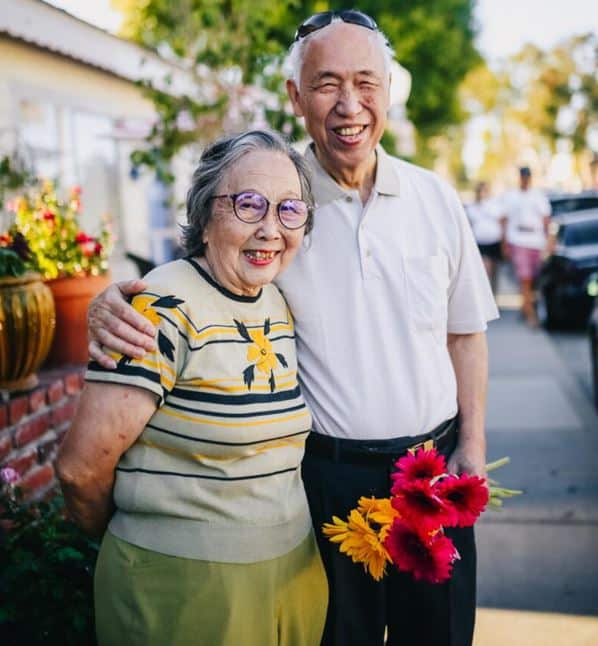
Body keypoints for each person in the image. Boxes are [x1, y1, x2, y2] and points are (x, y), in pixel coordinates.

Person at [86, 10, 499, 646]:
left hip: (433, 473)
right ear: (295, 97)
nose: (349, 105)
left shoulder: (435, 199)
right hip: (324, 486)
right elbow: (203, 270)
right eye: (327, 83)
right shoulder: (278, 205)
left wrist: (471, 446)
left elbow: (465, 333)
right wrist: (109, 299)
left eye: (367, 82)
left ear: (388, 90)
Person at [56, 129, 328, 646]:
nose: (271, 228)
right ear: (205, 215)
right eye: (249, 204)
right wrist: (150, 537)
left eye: (289, 210)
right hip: (181, 591)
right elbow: (78, 470)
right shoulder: (161, 306)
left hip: (290, 578)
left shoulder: (277, 301)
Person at [502, 166, 552, 327]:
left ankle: (526, 308)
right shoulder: (511, 196)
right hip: (518, 240)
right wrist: (505, 243)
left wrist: (549, 242)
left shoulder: (538, 196)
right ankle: (531, 316)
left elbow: (546, 220)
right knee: (525, 279)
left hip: (536, 241)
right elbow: (505, 219)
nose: (525, 179)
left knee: (534, 280)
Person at [466, 181, 503, 294]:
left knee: (495, 271)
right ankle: (486, 295)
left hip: (494, 242)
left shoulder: (494, 205)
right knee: (486, 271)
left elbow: (502, 221)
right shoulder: (472, 207)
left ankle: (494, 295)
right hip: (480, 243)